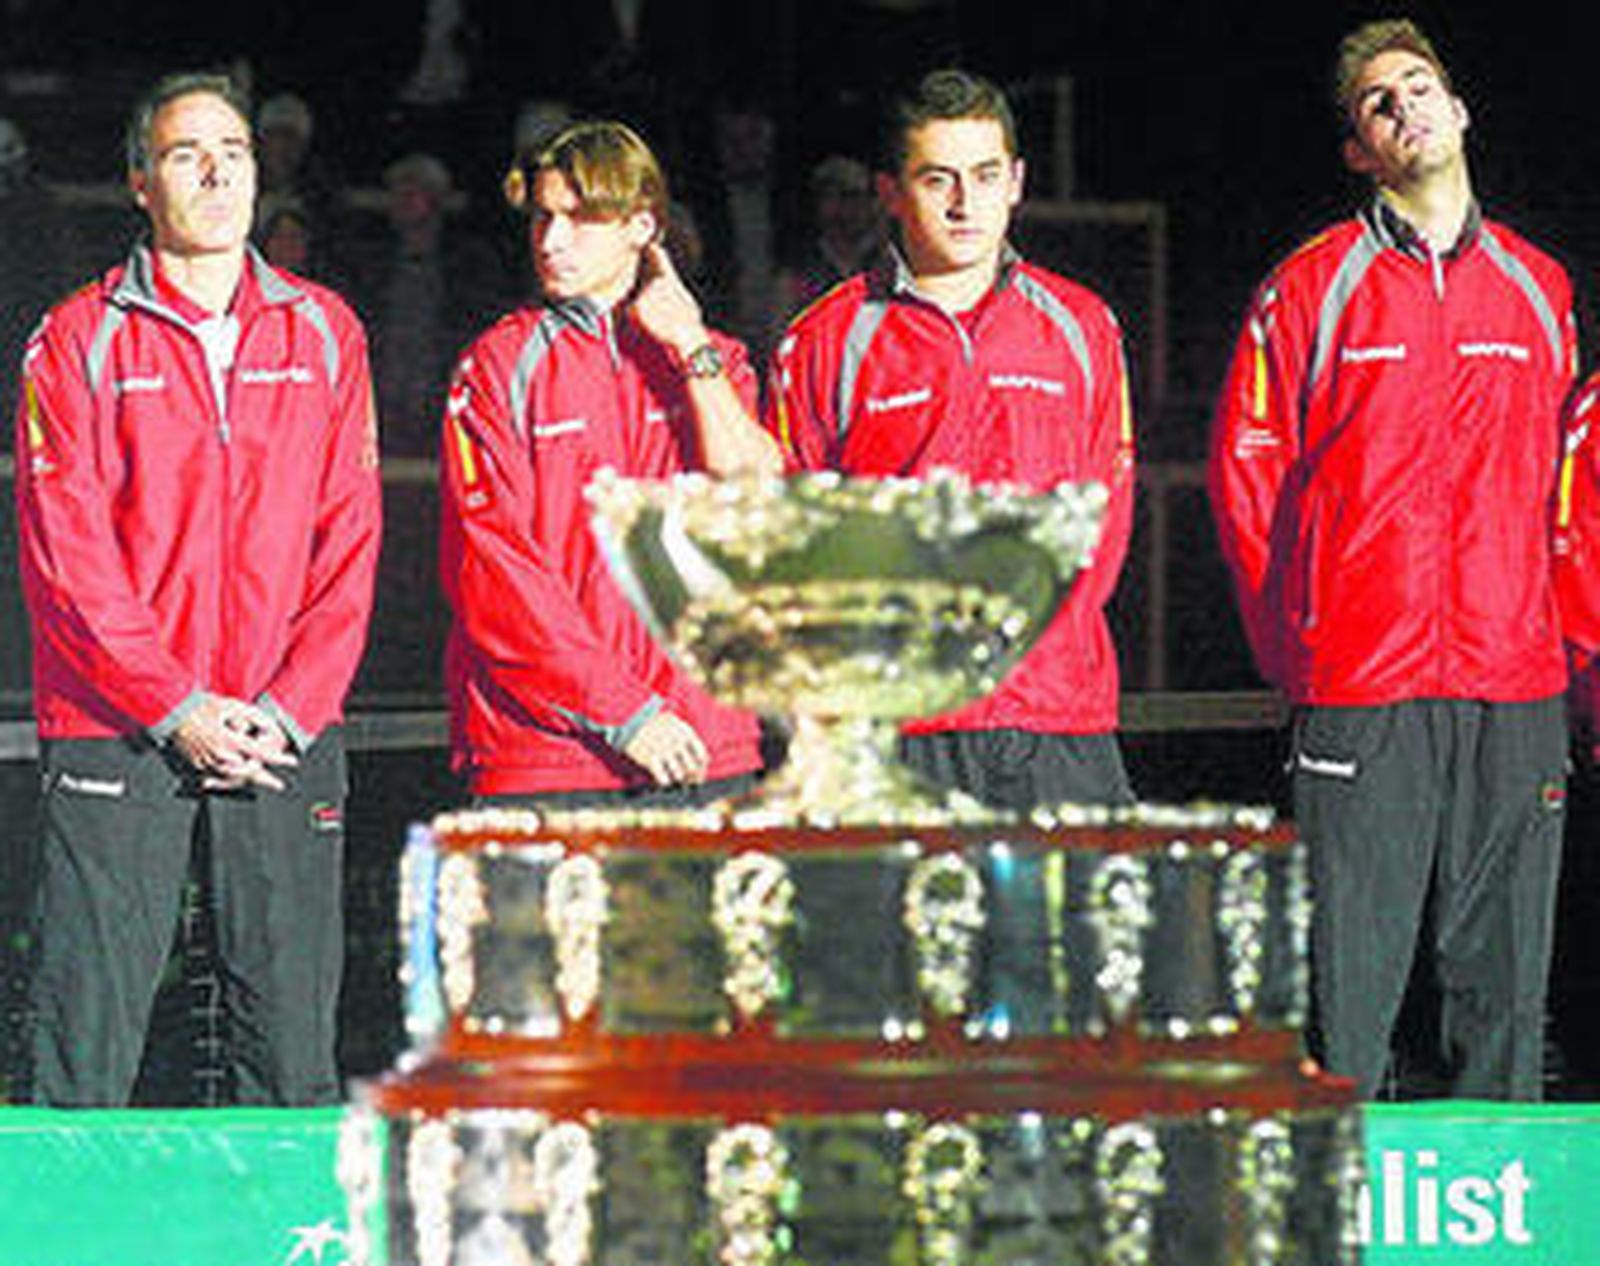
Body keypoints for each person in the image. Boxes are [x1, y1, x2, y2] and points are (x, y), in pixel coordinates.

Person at [1209, 20, 1576, 1099]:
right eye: (1377, 103)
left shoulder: (1541, 289)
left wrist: (1554, 644)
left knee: (1504, 1000)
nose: (1404, 106)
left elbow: (1566, 490)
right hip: (1359, 684)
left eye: (1419, 87)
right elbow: (1248, 488)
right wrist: (1308, 653)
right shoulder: (1310, 287)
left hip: (1514, 689)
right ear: (1357, 153)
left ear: (1459, 112)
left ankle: (1496, 1242)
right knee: (1344, 999)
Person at [12, 71, 382, 1106]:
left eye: (235, 150)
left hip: (279, 736)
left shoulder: (324, 332)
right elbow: (66, 550)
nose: (217, 172)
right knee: (80, 1047)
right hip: (115, 730)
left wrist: (289, 710)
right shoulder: (76, 339)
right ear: (138, 181)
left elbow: (349, 540)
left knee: (288, 1051)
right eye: (186, 153)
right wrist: (173, 706)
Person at [763, 67, 1137, 813]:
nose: (966, 203)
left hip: (1057, 715)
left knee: (1079, 933)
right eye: (938, 180)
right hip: (897, 729)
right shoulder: (823, 341)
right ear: (890, 192)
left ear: (1018, 182)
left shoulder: (1082, 325)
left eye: (986, 175)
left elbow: (1107, 513)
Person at [439, 120, 781, 807]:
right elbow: (493, 570)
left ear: (641, 225)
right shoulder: (498, 365)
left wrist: (687, 341)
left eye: (580, 218)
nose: (551, 239)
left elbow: (764, 504)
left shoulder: (714, 358)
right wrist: (626, 712)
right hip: (548, 756)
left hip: (704, 748)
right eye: (542, 216)